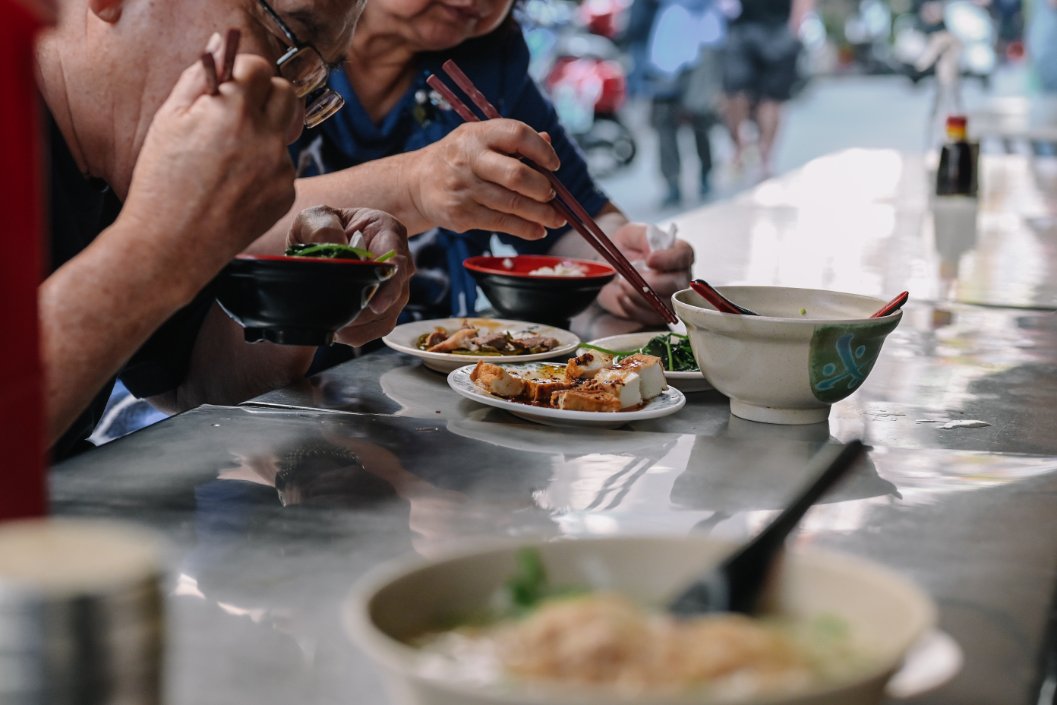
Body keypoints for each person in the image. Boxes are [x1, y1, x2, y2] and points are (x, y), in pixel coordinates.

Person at [34, 0, 414, 459]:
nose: (292, 126)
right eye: (283, 40)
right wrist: (158, 246)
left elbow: (197, 387)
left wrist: (306, 297)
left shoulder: (128, 160)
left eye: (308, 81)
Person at [279, 0, 695, 331]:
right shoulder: (274, 45)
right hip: (275, 373)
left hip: (441, 369)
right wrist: (415, 187)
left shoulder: (487, 68)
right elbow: (229, 218)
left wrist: (626, 268)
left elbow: (568, 217)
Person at [642, 0, 725, 206]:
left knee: (699, 116)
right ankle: (672, 183)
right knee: (665, 121)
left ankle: (705, 172)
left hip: (702, 46)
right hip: (667, 48)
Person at [721, 0, 812, 178]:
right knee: (735, 94)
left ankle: (764, 158)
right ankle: (742, 148)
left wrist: (795, 28)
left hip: (777, 29)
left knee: (771, 100)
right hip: (743, 28)